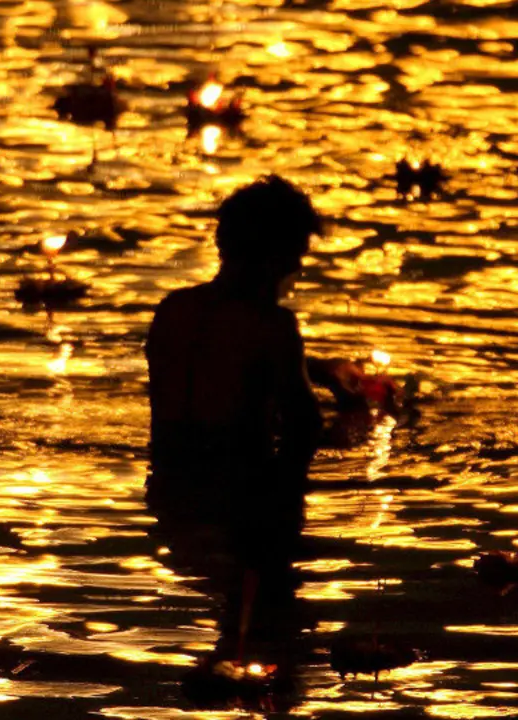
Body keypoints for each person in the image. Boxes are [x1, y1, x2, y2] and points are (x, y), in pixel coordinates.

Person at [143, 175, 324, 691]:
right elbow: (304, 429)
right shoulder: (273, 327)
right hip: (243, 501)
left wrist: (320, 368)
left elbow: (220, 370)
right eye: (296, 253)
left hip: (170, 492)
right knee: (263, 588)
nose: (298, 268)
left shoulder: (173, 310)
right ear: (276, 254)